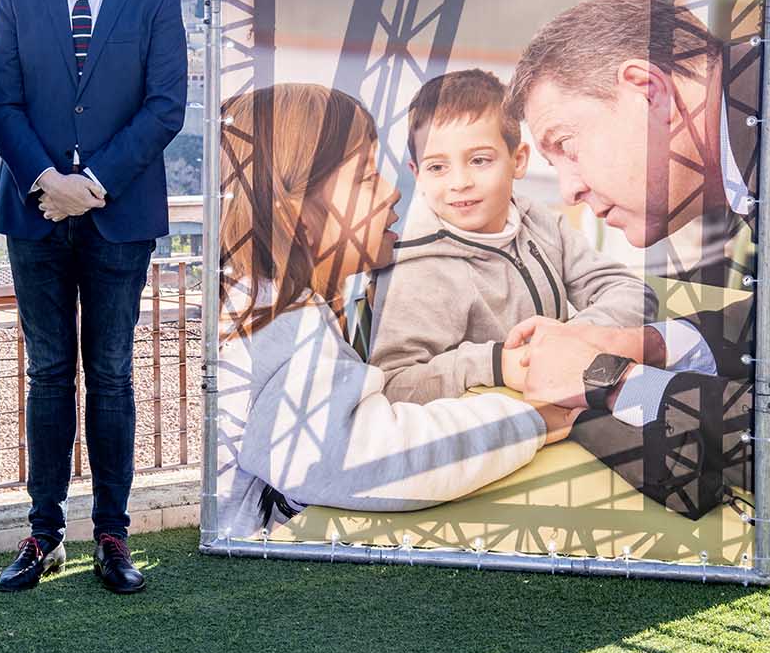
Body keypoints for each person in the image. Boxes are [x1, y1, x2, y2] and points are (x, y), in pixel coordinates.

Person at [215, 84, 572, 539]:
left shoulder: (275, 309)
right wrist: (527, 421)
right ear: (298, 211)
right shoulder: (283, 327)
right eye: (365, 177)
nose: (392, 194)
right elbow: (366, 460)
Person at [0, 0, 186, 594]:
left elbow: (166, 106)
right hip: (35, 215)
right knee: (46, 376)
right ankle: (43, 536)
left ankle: (111, 536)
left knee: (110, 375)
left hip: (118, 214)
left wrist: (91, 186)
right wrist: (50, 182)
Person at [502, 0, 757, 519]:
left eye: (566, 145)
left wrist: (608, 380)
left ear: (648, 91)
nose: (568, 189)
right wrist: (648, 344)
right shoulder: (759, 130)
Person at [365, 69, 654, 402]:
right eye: (437, 167)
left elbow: (632, 291)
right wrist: (497, 363)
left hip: (572, 400)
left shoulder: (541, 223)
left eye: (479, 160)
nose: (459, 182)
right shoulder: (416, 267)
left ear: (518, 161)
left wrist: (571, 336)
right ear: (417, 175)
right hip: (499, 434)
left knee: (672, 414)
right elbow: (394, 384)